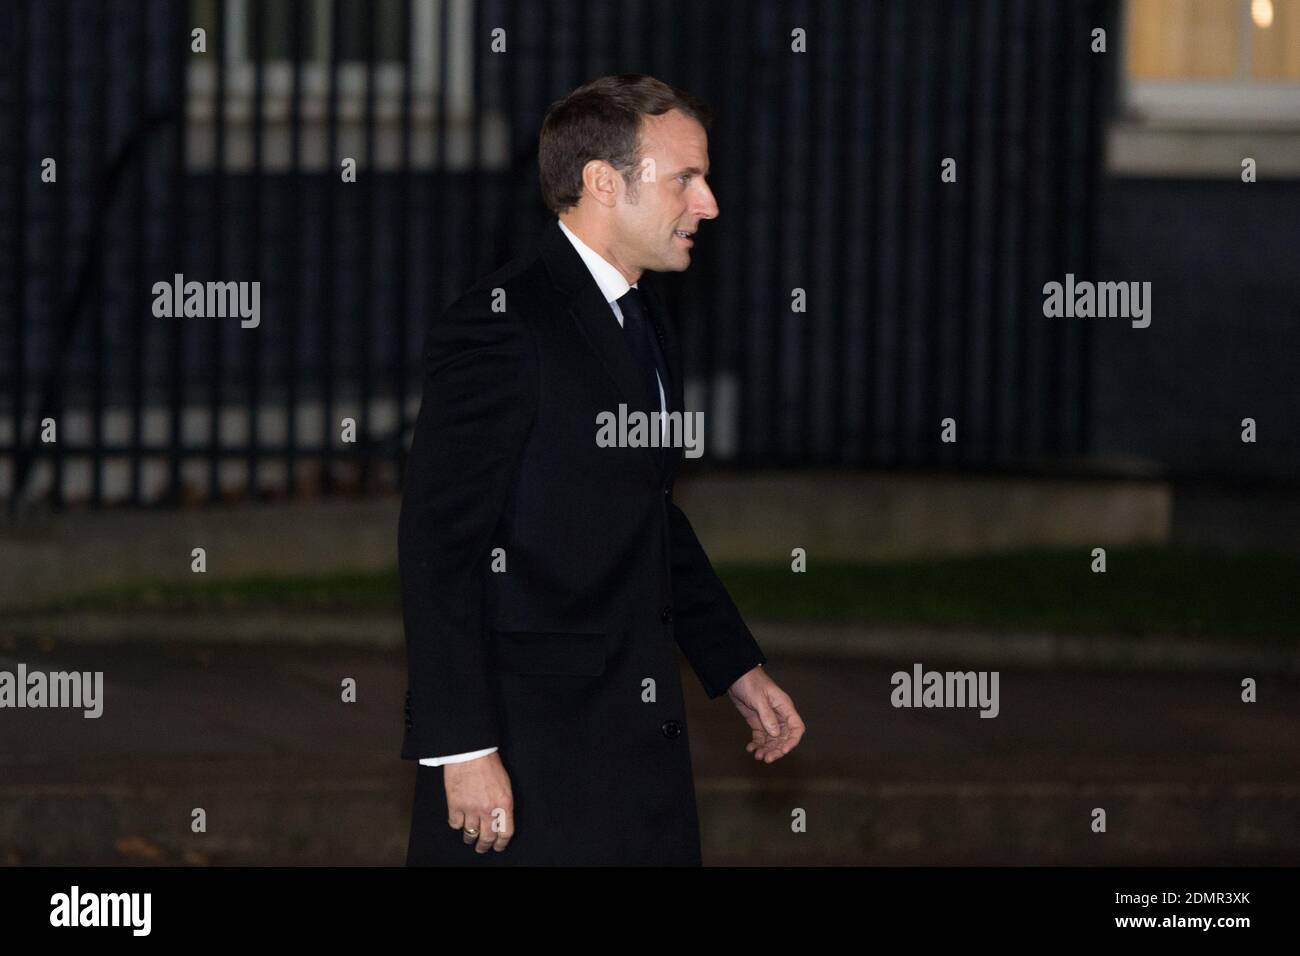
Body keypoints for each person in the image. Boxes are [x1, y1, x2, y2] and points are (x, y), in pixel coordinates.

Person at [400, 73, 804, 865]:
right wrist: (464, 749)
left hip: (633, 754)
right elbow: (440, 545)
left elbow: (645, 509)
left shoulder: (641, 314)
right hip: (530, 758)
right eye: (687, 178)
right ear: (602, 183)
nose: (710, 203)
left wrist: (736, 668)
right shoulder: (504, 326)